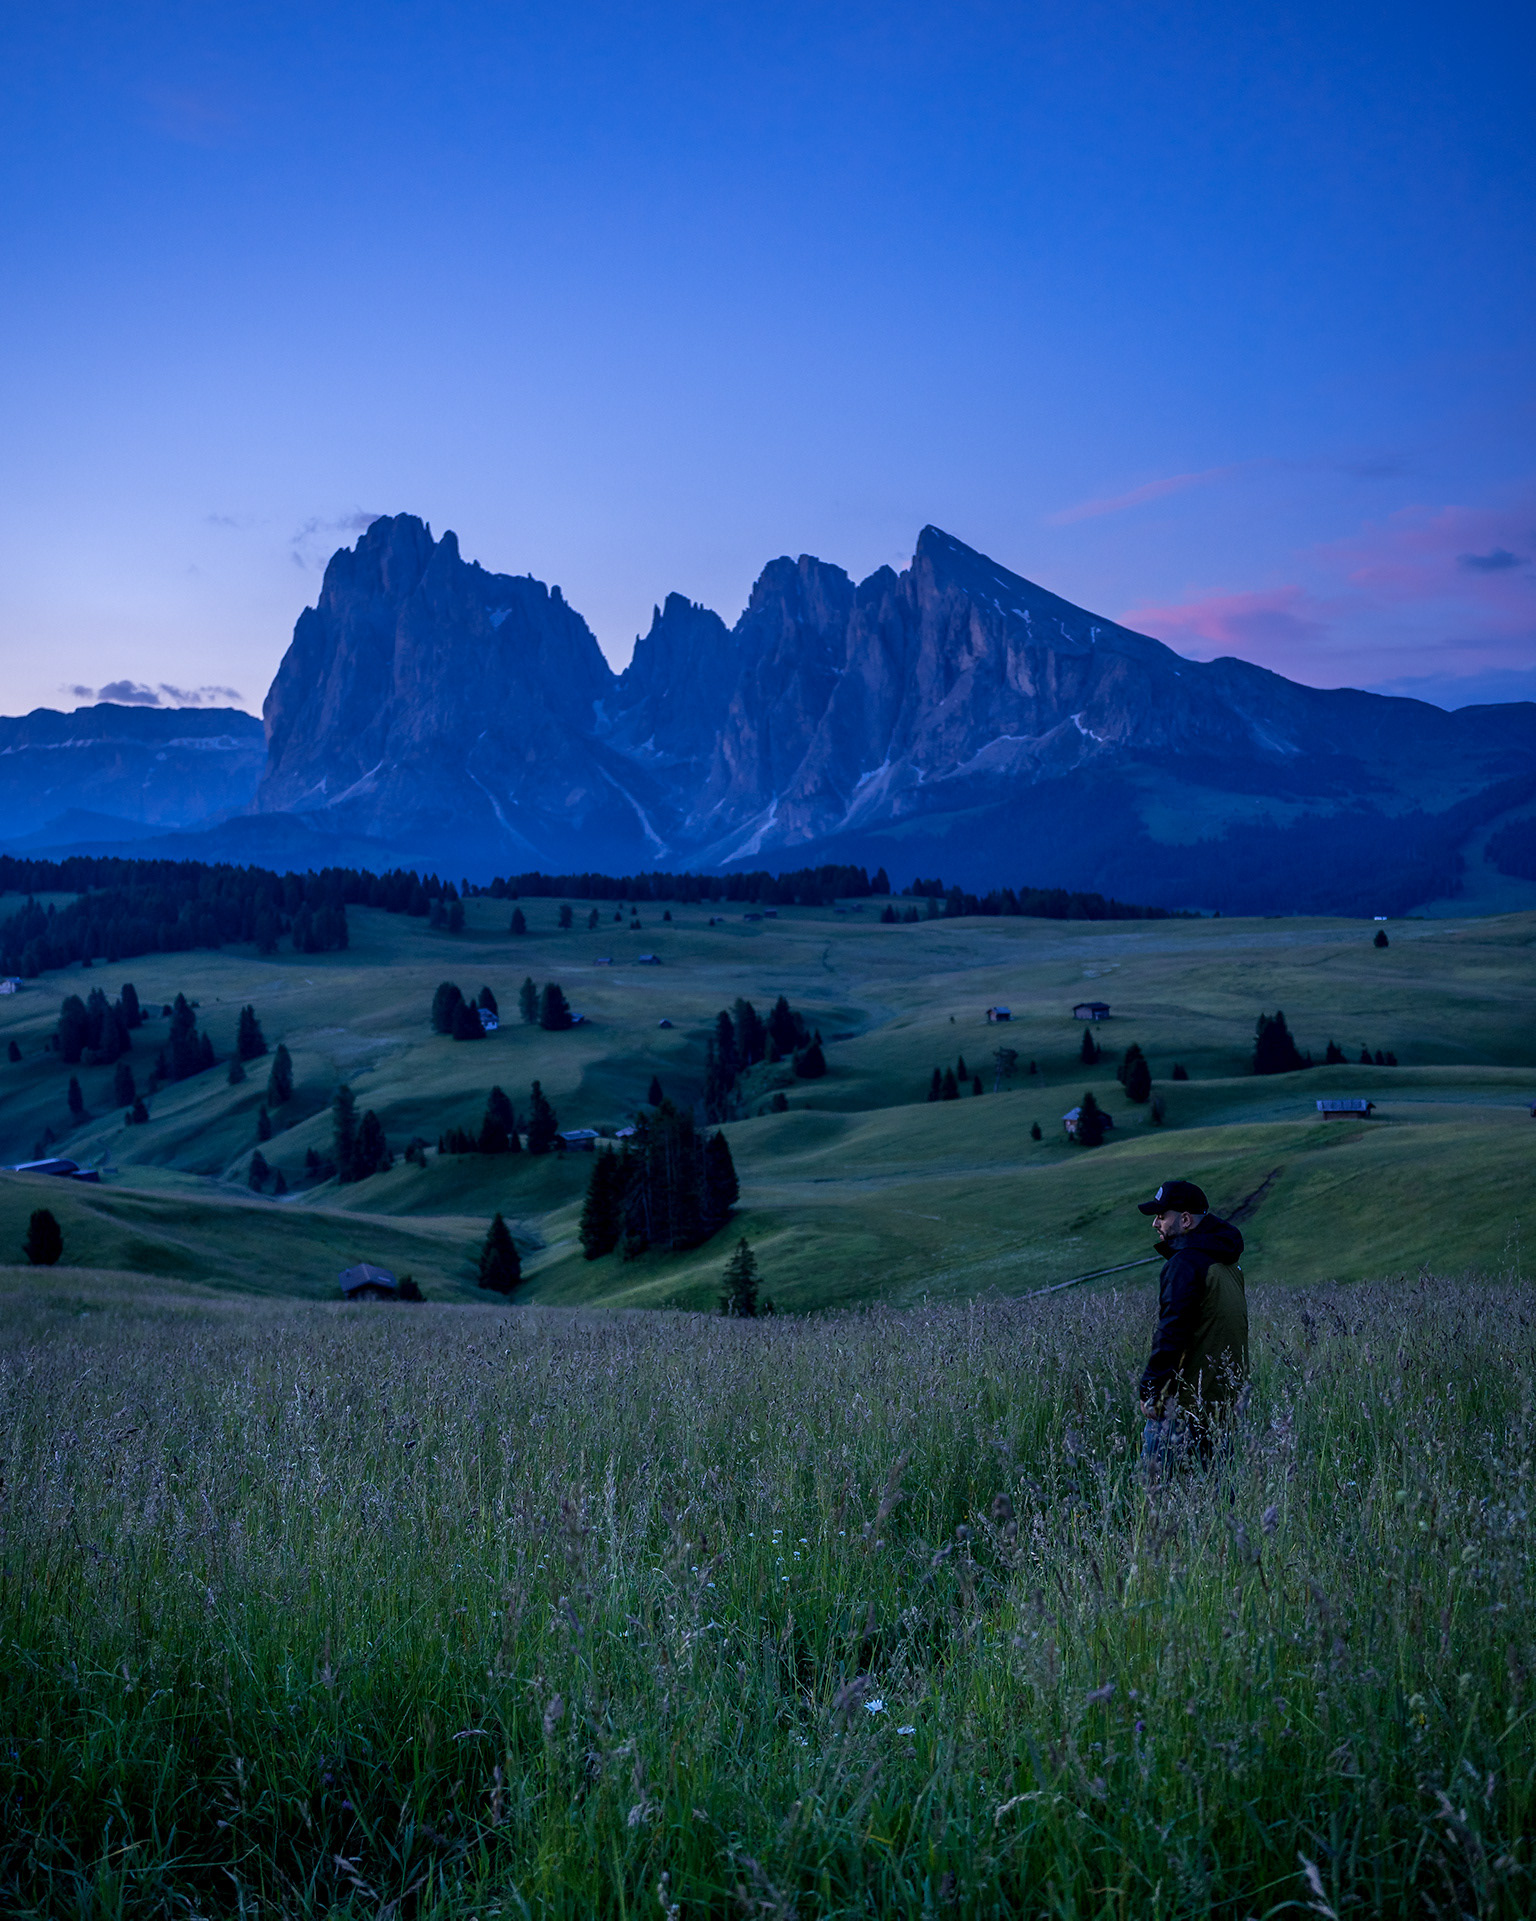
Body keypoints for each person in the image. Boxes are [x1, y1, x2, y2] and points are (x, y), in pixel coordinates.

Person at [1135, 1179, 1248, 1470]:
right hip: (1222, 1404)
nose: (1155, 1224)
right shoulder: (1226, 1262)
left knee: (1158, 1491)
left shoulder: (1185, 1264)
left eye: (1162, 1216)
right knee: (1218, 1491)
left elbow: (1172, 1332)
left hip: (1182, 1407)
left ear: (1185, 1220)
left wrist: (1150, 1390)